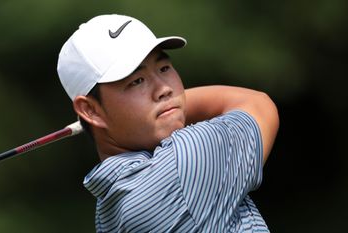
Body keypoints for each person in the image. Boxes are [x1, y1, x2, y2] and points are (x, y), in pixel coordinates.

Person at [57, 14, 279, 232]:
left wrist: (156, 109)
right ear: (90, 110)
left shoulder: (109, 205)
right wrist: (174, 105)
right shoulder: (186, 162)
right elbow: (257, 104)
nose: (164, 89)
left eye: (163, 68)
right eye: (137, 81)